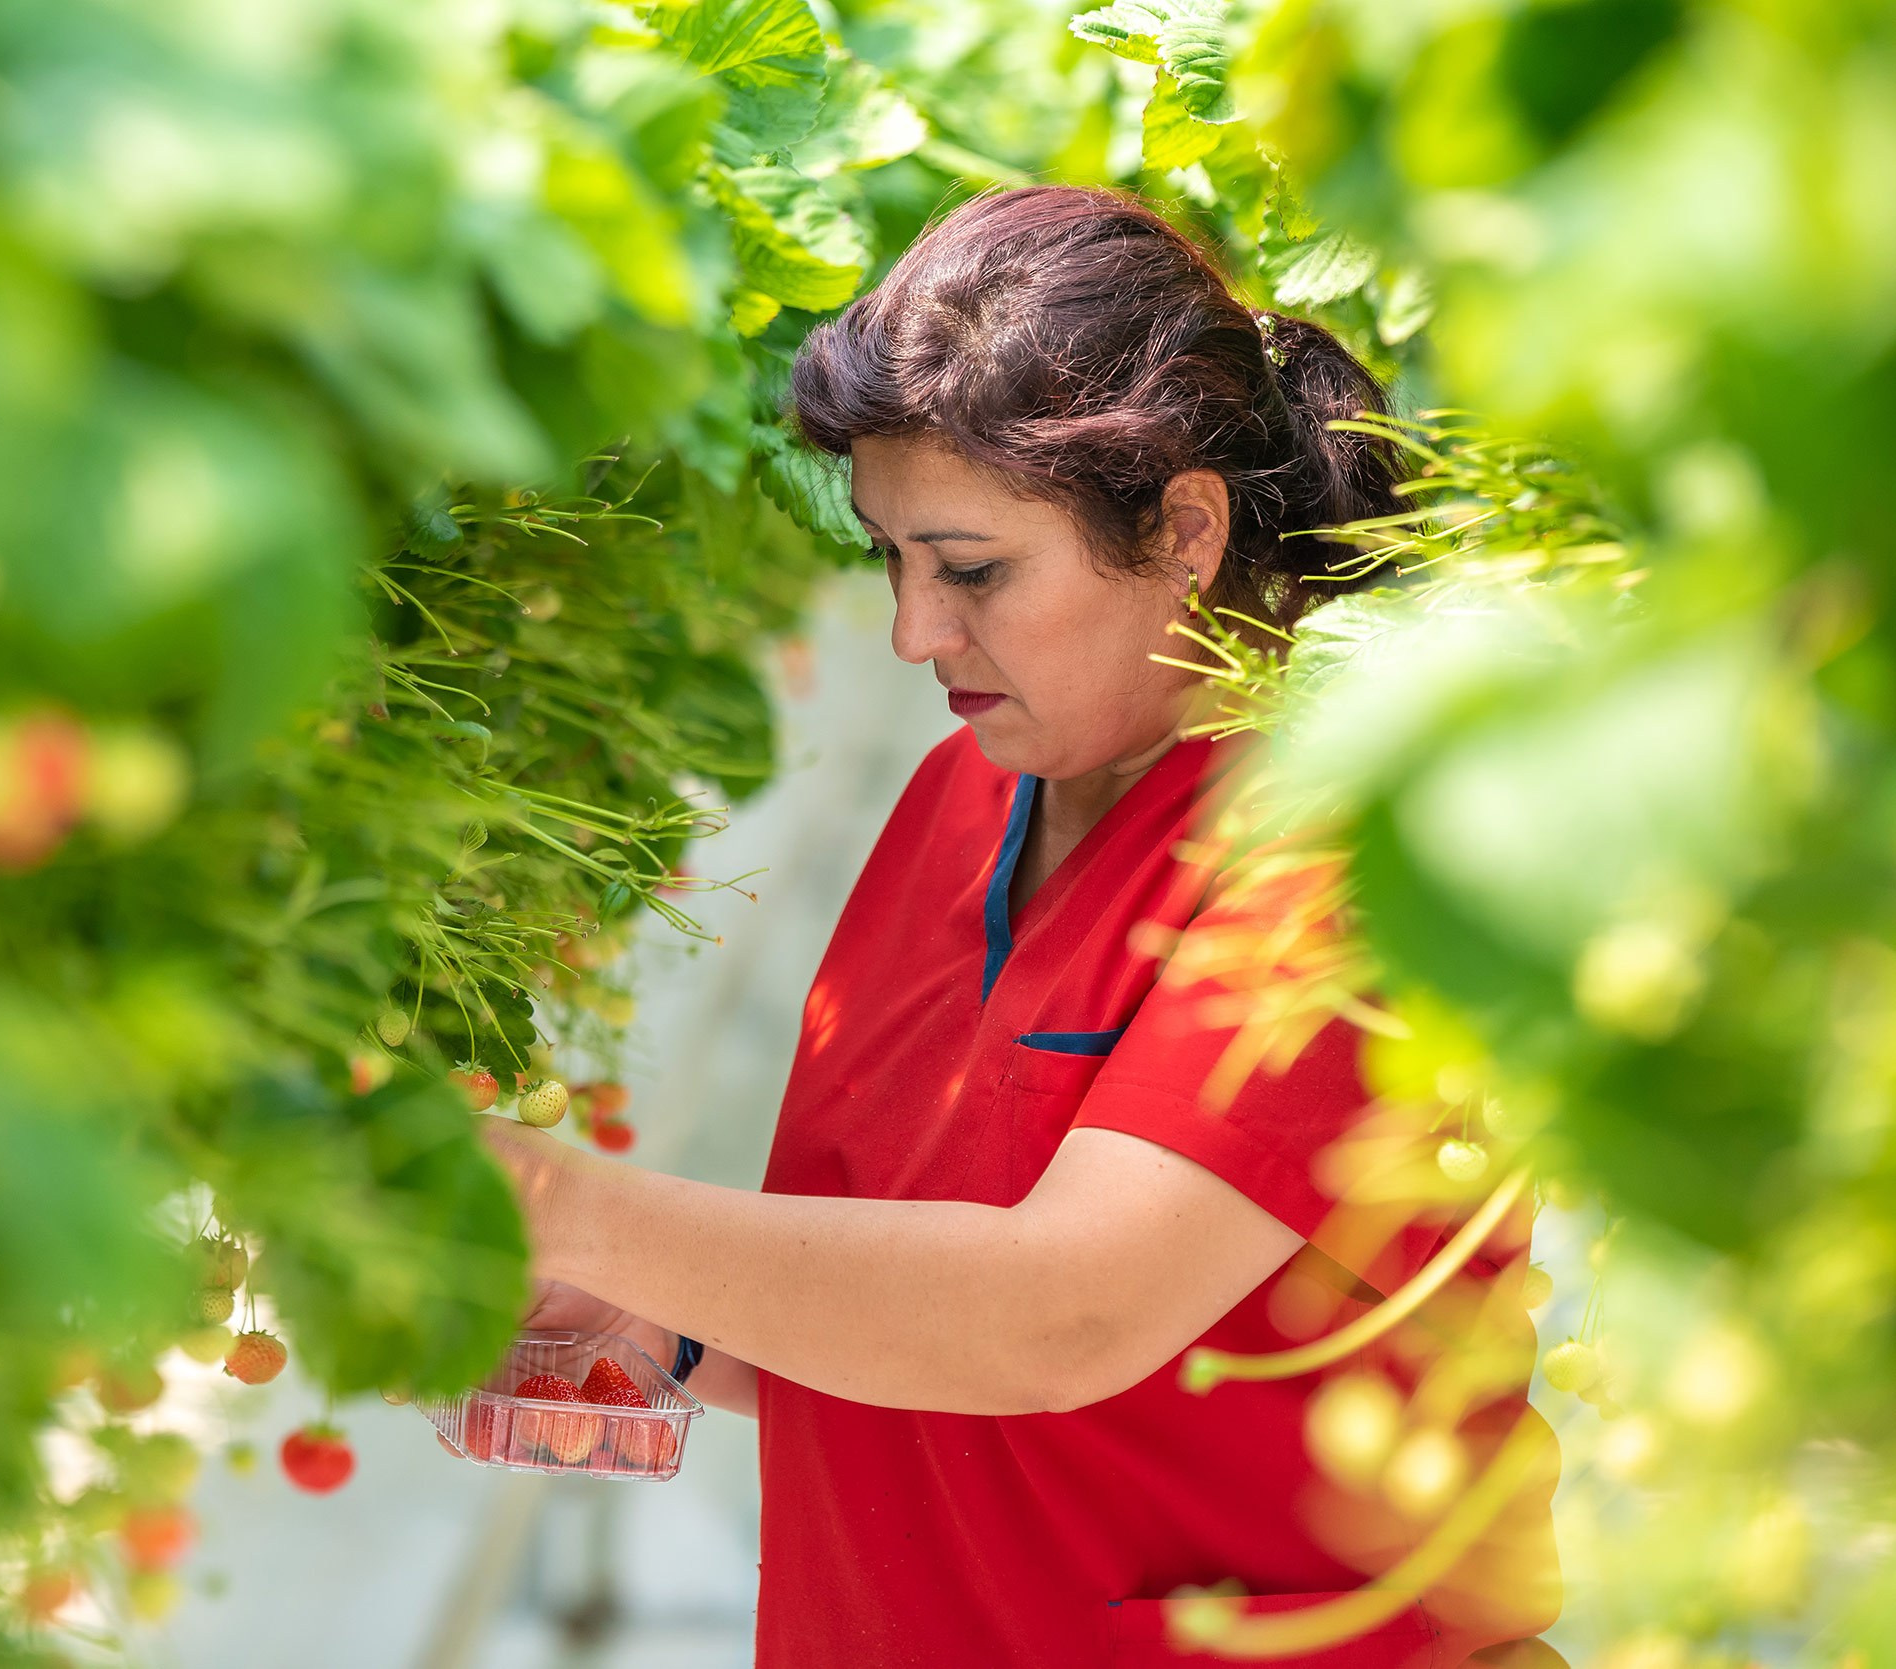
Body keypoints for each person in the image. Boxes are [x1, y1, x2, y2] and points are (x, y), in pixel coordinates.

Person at [478, 186, 1559, 1668]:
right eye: (890, 558)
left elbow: (1063, 1317)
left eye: (972, 568)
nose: (914, 632)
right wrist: (660, 1325)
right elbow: (927, 1332)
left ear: (1184, 529)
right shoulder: (965, 793)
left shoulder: (1348, 848)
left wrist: (560, 1201)